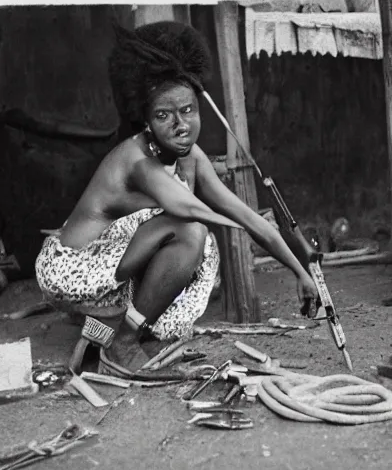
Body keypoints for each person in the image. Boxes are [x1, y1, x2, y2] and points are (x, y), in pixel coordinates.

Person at [35, 21, 318, 368]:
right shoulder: (137, 160)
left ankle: (111, 330)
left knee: (195, 237)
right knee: (192, 229)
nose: (180, 124)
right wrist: (262, 233)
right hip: (70, 269)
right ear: (147, 122)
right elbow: (189, 209)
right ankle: (122, 342)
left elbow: (243, 214)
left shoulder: (192, 157)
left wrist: (299, 270)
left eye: (187, 110)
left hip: (112, 266)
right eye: (163, 115)